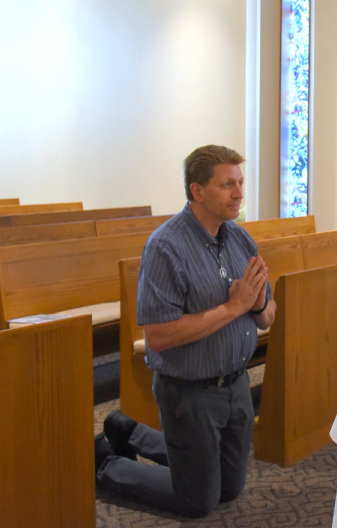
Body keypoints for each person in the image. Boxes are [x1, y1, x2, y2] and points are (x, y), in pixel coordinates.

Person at [94, 144, 276, 518]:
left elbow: (267, 316)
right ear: (197, 190)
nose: (240, 193)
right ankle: (106, 466)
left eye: (240, 182)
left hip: (236, 385)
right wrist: (232, 308)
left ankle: (131, 432)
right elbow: (158, 337)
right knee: (198, 501)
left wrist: (255, 304)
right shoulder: (165, 246)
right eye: (228, 184)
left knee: (230, 488)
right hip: (190, 392)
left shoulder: (240, 238)